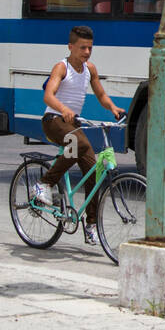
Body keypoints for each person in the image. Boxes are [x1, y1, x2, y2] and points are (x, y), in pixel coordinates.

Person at [33, 25, 126, 245]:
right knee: (78, 143)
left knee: (94, 171)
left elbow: (101, 94)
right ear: (71, 47)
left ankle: (91, 224)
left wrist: (113, 108)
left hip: (72, 124)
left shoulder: (90, 69)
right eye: (82, 48)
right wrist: (63, 109)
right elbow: (48, 96)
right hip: (54, 120)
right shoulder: (61, 67)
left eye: (90, 48)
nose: (86, 52)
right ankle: (44, 184)